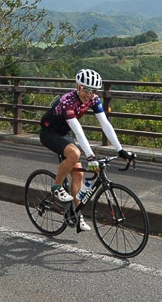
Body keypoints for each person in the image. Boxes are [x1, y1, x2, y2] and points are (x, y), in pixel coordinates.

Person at [38, 68, 135, 231]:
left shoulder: (94, 100)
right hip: (49, 132)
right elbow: (78, 130)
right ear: (78, 87)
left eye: (93, 91)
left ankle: (75, 214)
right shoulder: (67, 101)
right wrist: (90, 156)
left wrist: (120, 150)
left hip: (63, 133)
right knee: (75, 154)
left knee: (78, 174)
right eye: (86, 90)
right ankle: (56, 187)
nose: (89, 95)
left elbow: (105, 124)